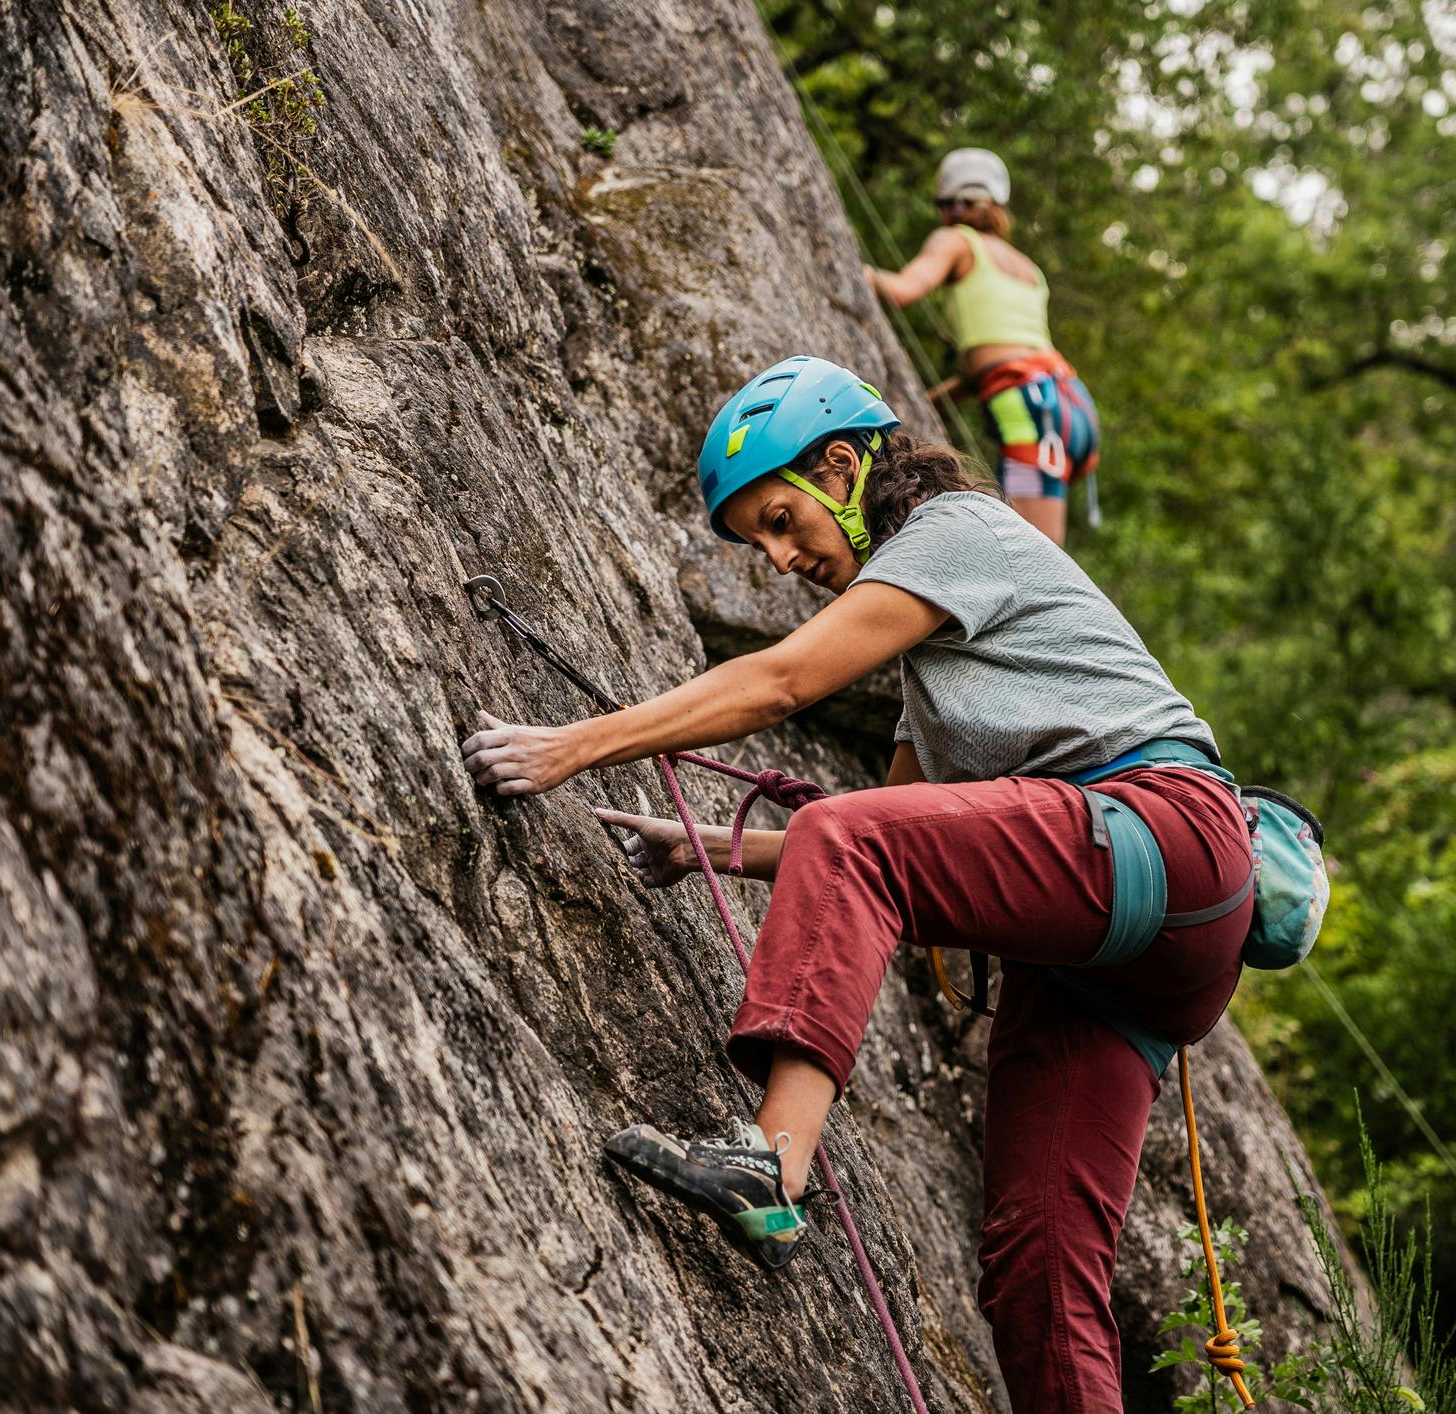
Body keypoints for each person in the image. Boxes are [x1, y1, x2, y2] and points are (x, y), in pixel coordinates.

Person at [459, 355, 1251, 1412]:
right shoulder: (939, 665)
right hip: (1131, 957)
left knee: (847, 834)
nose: (781, 558)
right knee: (1037, 1264)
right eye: (760, 545)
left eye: (782, 521)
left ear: (842, 463)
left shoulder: (957, 532)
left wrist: (571, 746)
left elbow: (784, 686)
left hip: (1163, 830)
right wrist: (708, 847)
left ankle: (771, 1162)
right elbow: (888, 846)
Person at [863, 147, 1100, 546]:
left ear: (947, 205)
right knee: (1044, 553)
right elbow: (991, 368)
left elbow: (902, 290)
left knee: (1029, 554)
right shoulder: (1028, 269)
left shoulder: (955, 240)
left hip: (1030, 410)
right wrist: (926, 403)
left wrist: (859, 271)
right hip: (1068, 406)